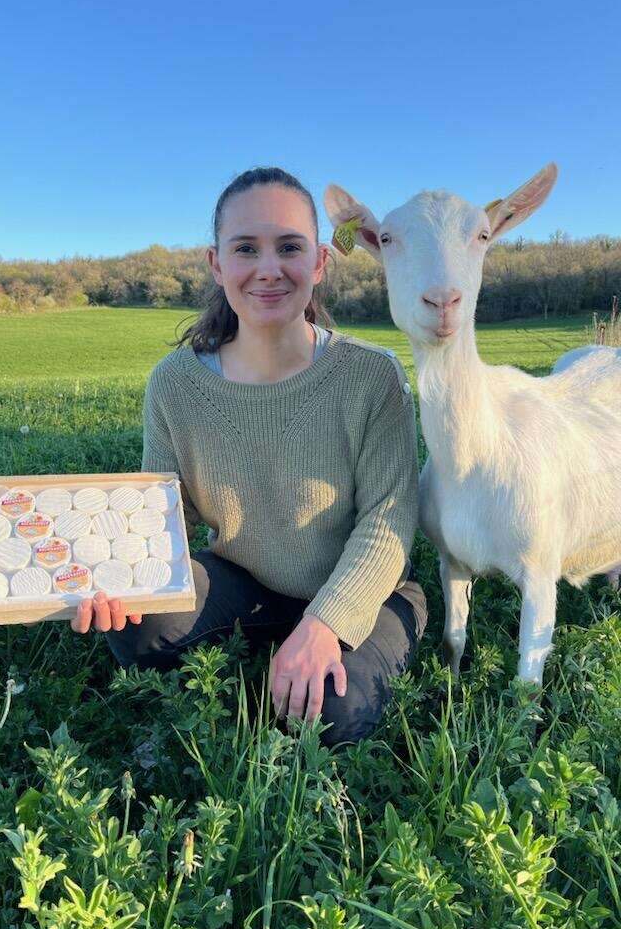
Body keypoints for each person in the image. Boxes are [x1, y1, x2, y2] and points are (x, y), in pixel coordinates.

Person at [72, 167, 427, 746]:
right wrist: (112, 574)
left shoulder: (371, 376)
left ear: (318, 264)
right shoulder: (175, 384)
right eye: (246, 248)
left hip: (368, 592)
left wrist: (326, 623)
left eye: (290, 247)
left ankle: (310, 650)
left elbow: (388, 522)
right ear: (217, 264)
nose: (269, 268)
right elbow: (160, 517)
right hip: (248, 583)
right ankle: (275, 642)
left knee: (333, 716)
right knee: (139, 631)